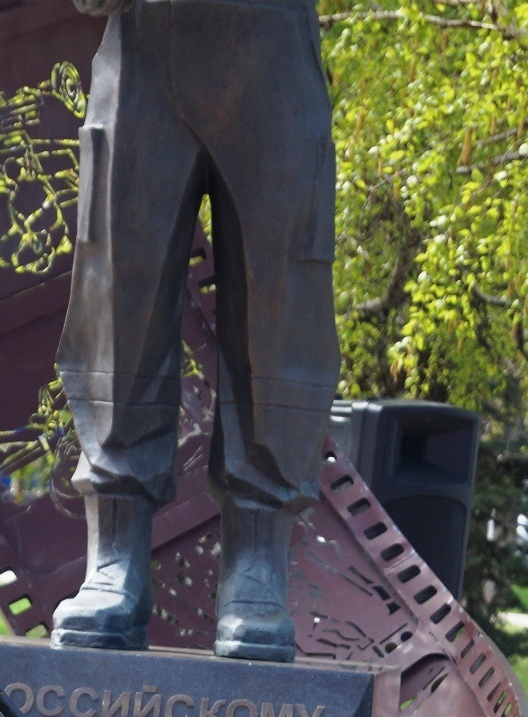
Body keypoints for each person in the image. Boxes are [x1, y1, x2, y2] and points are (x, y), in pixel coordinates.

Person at [50, 0, 340, 660]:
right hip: (140, 51)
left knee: (279, 303)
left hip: (271, 50)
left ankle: (257, 568)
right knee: (119, 293)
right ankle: (114, 557)